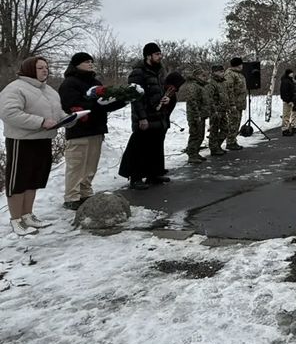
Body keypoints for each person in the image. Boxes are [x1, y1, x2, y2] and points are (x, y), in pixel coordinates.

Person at [0, 57, 65, 235]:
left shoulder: (49, 90)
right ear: (29, 69)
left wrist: (68, 119)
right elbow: (9, 113)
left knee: (33, 179)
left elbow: (57, 113)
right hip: (22, 141)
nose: (45, 71)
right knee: (19, 181)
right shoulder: (15, 88)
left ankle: (27, 214)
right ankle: (16, 219)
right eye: (40, 68)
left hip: (43, 140)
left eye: (46, 67)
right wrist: (41, 122)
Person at [58, 52, 127, 210]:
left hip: (96, 128)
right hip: (79, 130)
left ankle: (85, 192)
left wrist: (121, 100)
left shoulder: (95, 82)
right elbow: (71, 104)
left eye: (91, 61)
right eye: (86, 62)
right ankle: (72, 196)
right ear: (76, 64)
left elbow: (105, 102)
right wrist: (97, 105)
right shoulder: (70, 83)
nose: (90, 64)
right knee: (77, 164)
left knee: (91, 165)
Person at [118, 43, 170, 189]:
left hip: (158, 114)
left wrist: (166, 99)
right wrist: (142, 117)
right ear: (148, 56)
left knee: (156, 145)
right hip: (144, 115)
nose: (160, 56)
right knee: (140, 146)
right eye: (157, 54)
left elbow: (160, 90)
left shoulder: (159, 71)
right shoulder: (138, 73)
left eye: (160, 54)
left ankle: (154, 174)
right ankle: (136, 177)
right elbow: (135, 97)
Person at [183, 67, 211, 163]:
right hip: (195, 115)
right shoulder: (193, 86)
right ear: (196, 76)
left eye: (205, 75)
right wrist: (197, 114)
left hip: (201, 114)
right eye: (202, 75)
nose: (204, 77)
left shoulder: (201, 86)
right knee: (195, 134)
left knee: (200, 135)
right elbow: (192, 100)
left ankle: (195, 152)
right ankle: (191, 154)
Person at [224, 57, 247, 151]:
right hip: (234, 104)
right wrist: (232, 104)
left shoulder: (238, 74)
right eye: (241, 64)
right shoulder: (230, 74)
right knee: (233, 122)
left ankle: (233, 140)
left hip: (239, 103)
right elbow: (229, 90)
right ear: (238, 65)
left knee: (237, 122)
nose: (242, 66)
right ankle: (230, 142)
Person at [206, 65, 230, 155]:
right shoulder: (211, 83)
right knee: (214, 130)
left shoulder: (223, 82)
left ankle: (217, 145)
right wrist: (214, 110)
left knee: (225, 129)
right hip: (215, 110)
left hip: (223, 109)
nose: (222, 73)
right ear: (214, 72)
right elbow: (209, 98)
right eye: (220, 71)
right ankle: (214, 148)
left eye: (222, 71)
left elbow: (225, 95)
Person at [280, 69, 296, 136]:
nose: (292, 74)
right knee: (286, 115)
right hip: (287, 100)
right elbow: (284, 92)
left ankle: (286, 128)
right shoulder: (285, 81)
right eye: (291, 73)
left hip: (290, 100)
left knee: (288, 114)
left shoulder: (290, 80)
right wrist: (288, 100)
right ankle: (285, 129)